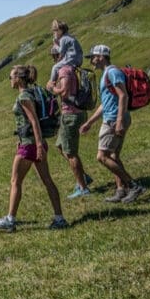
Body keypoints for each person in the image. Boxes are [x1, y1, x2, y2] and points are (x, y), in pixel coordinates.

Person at [0, 65, 68, 231]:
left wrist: (38, 144)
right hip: (32, 143)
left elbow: (34, 121)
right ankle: (59, 218)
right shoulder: (33, 92)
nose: (10, 80)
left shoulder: (24, 96)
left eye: (11, 77)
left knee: (15, 181)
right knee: (47, 180)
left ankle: (10, 219)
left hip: (30, 145)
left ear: (18, 78)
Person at [79, 44, 146, 203]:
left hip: (114, 119)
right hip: (113, 117)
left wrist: (119, 122)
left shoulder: (113, 72)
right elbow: (105, 103)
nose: (92, 61)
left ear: (101, 57)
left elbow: (123, 96)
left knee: (102, 156)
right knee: (114, 155)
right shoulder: (106, 74)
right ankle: (121, 190)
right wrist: (89, 122)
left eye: (93, 57)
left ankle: (133, 186)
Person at [45, 45, 93, 198]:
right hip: (75, 112)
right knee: (60, 146)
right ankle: (83, 176)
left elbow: (64, 91)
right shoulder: (71, 68)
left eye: (55, 55)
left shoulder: (64, 70)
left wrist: (52, 88)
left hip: (71, 114)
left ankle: (83, 187)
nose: (54, 58)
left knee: (70, 152)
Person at [49, 19, 83, 84]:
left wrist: (56, 45)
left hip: (72, 59)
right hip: (78, 59)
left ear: (61, 31)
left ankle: (52, 84)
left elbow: (61, 52)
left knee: (55, 67)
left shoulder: (63, 39)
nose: (54, 33)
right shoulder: (68, 36)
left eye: (55, 31)